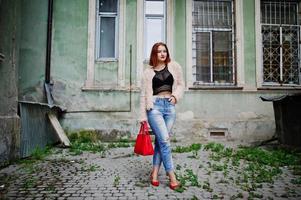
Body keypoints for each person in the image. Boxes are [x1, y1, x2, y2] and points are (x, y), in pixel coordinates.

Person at [139, 42, 184, 190]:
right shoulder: (147, 72)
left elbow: (181, 85)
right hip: (155, 107)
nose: (162, 54)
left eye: (164, 51)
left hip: (170, 107)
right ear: (154, 54)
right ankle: (172, 177)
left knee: (160, 141)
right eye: (159, 52)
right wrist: (143, 117)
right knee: (165, 140)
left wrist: (175, 96)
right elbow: (143, 96)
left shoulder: (175, 66)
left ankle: (154, 173)